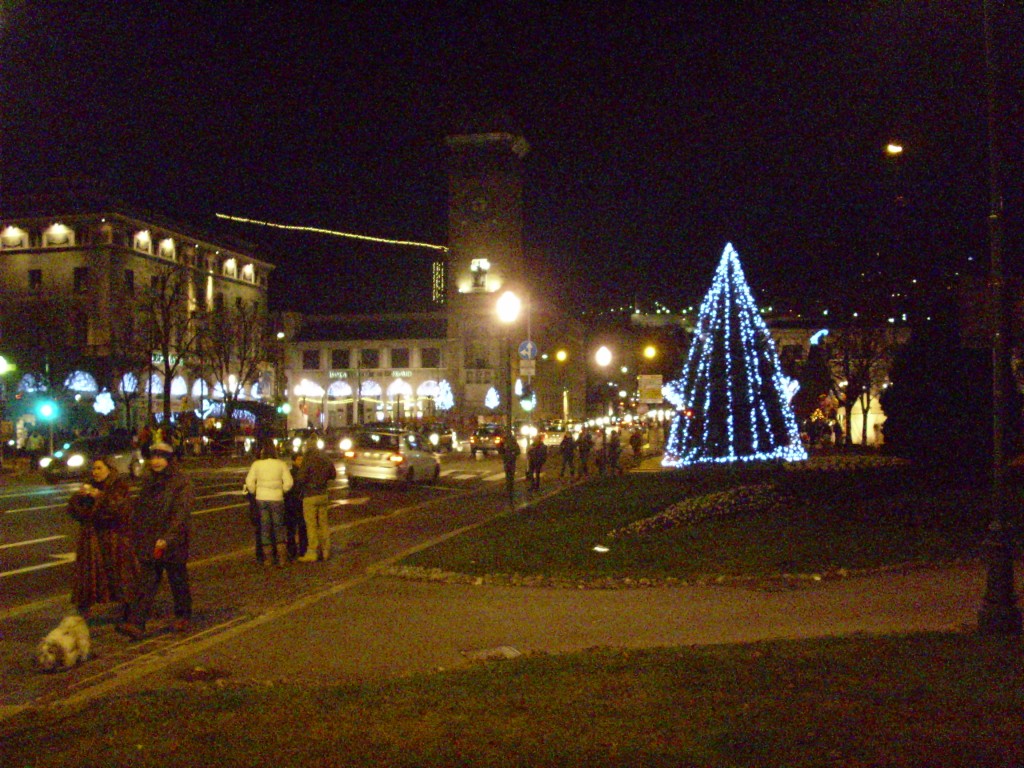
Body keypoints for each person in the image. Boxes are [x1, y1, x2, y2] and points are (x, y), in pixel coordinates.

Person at [118, 442, 194, 640]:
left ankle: (183, 614)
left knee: (177, 579)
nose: (156, 462)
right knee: (147, 582)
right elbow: (141, 510)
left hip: (172, 541)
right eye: (154, 457)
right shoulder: (149, 481)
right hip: (150, 539)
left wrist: (168, 538)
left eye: (161, 457)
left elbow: (181, 512)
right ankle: (136, 623)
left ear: (169, 460)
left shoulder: (181, 481)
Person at [66, 457, 139, 620]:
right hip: (92, 538)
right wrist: (79, 498)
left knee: (119, 572)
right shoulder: (89, 486)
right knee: (88, 574)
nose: (95, 472)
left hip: (113, 537)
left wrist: (99, 496)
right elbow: (74, 510)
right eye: (93, 469)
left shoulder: (119, 486)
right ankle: (82, 608)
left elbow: (117, 509)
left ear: (109, 469)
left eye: (99, 468)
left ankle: (129, 606)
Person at [244, 441, 293, 567]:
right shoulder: (281, 464)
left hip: (262, 498)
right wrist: (282, 490)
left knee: (265, 528)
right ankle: (282, 557)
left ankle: (268, 558)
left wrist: (254, 491)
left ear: (262, 452)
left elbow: (249, 481)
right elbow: (289, 482)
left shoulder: (257, 464)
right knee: (278, 527)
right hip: (277, 499)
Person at [295, 442, 336, 562]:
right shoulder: (325, 457)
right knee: (323, 524)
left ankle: (312, 551)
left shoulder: (307, 459)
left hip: (310, 495)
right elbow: (333, 474)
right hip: (323, 494)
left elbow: (301, 478)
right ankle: (326, 550)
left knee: (311, 525)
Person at [284, 450, 308, 560]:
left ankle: (303, 549)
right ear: (293, 461)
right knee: (292, 528)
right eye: (298, 459)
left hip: (300, 501)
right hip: (292, 502)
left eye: (302, 459)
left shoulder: (304, 471)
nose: (301, 461)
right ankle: (292, 550)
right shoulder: (291, 473)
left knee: (302, 526)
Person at [500, 429, 521, 507]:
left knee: (510, 475)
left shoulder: (512, 443)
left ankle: (510, 489)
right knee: (509, 475)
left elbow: (518, 451)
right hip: (508, 461)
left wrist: (512, 454)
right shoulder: (504, 443)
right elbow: (500, 450)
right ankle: (509, 489)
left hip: (510, 461)